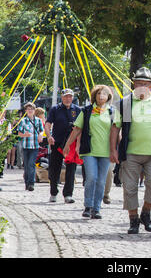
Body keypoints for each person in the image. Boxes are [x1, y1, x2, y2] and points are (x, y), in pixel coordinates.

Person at [109, 67, 151, 234]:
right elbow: (115, 128)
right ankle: (133, 220)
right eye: (139, 83)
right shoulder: (125, 103)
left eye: (146, 84)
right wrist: (113, 150)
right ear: (134, 84)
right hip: (130, 153)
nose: (142, 86)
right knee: (129, 187)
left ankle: (146, 212)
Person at [64, 85, 114, 219]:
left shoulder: (112, 112)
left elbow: (117, 131)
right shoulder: (86, 111)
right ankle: (88, 205)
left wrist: (118, 150)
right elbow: (77, 129)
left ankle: (96, 209)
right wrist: (68, 145)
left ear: (108, 96)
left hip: (106, 152)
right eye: (99, 94)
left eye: (104, 94)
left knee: (101, 181)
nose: (101, 96)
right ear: (94, 96)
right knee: (91, 177)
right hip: (89, 150)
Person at [45, 88, 81, 203]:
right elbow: (48, 123)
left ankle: (68, 194)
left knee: (71, 169)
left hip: (72, 143)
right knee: (54, 168)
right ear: (62, 97)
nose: (68, 99)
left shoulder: (77, 110)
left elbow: (80, 128)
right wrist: (48, 135)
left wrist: (78, 144)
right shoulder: (55, 109)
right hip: (57, 142)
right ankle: (53, 192)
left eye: (70, 96)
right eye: (66, 96)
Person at [18, 102, 44, 191]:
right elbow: (19, 133)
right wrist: (24, 135)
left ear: (34, 110)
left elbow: (41, 130)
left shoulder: (38, 120)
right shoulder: (23, 121)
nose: (30, 111)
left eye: (32, 109)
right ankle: (27, 182)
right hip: (25, 146)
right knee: (26, 166)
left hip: (35, 146)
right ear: (26, 111)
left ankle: (31, 183)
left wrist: (40, 135)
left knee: (31, 164)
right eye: (28, 109)